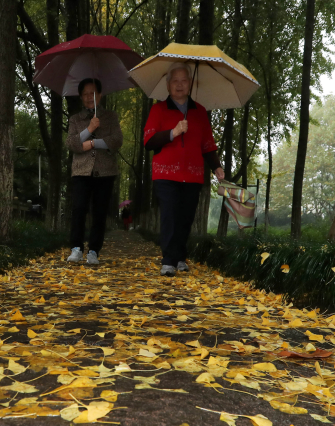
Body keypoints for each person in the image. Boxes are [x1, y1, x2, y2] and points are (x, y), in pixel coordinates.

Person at [143, 62, 224, 276]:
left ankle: (180, 256)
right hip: (165, 174)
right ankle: (168, 260)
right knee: (169, 214)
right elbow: (149, 141)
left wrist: (216, 167)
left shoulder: (199, 112)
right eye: (175, 81)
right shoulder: (158, 109)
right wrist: (173, 132)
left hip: (193, 174)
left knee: (186, 217)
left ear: (190, 84)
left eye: (184, 80)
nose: (179, 85)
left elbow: (207, 144)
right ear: (168, 85)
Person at [65, 78, 123, 265]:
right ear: (81, 97)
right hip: (81, 171)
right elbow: (72, 143)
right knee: (79, 208)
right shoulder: (75, 119)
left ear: (100, 95)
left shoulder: (111, 117)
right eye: (85, 94)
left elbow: (116, 141)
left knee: (99, 211)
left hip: (105, 171)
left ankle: (94, 251)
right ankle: (76, 248)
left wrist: (91, 143)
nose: (90, 97)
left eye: (93, 93)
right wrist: (89, 129)